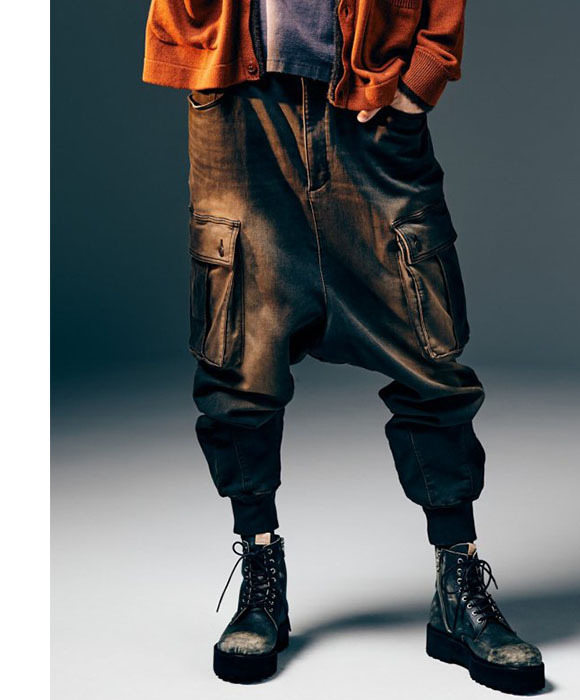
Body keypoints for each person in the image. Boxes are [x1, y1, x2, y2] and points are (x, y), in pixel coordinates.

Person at [142, 1, 544, 693]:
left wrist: (424, 70)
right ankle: (261, 573)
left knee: (429, 352)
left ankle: (458, 583)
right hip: (239, 101)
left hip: (370, 96)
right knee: (239, 352)